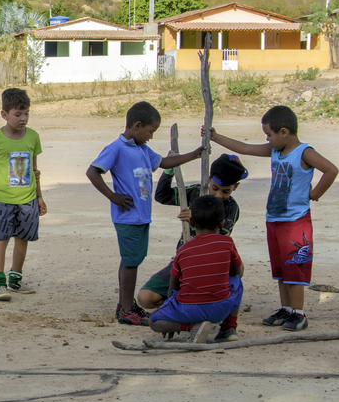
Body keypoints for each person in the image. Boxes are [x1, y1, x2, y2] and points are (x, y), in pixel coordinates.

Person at [208, 105, 339, 331]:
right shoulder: (275, 151)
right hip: (274, 219)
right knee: (280, 269)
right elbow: (245, 148)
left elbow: (331, 170)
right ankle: (286, 309)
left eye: (269, 134)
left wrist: (314, 194)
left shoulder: (304, 152)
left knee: (294, 268)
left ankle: (298, 313)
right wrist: (215, 137)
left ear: (284, 132)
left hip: (295, 221)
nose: (267, 139)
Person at [86, 101, 203, 325]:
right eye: (150, 131)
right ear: (137, 125)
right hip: (128, 217)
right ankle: (127, 309)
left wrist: (194, 155)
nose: (151, 137)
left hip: (140, 216)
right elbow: (92, 172)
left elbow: (164, 162)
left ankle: (125, 305)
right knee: (131, 263)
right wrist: (113, 196)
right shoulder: (116, 148)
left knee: (131, 260)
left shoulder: (142, 149)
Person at [136, 154, 248, 341]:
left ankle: (215, 320)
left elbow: (216, 241)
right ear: (209, 179)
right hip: (184, 262)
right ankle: (195, 313)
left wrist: (193, 222)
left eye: (226, 191)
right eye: (215, 188)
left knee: (237, 271)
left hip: (211, 263)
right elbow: (162, 196)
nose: (219, 195)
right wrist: (170, 168)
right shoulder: (195, 192)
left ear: (235, 187)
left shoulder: (231, 208)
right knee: (145, 298)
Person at [148, 195, 244, 342]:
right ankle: (228, 329)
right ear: (222, 223)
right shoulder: (227, 243)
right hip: (219, 310)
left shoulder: (183, 250)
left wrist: (172, 313)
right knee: (237, 281)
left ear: (191, 222)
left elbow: (173, 286)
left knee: (153, 321)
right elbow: (237, 272)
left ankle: (192, 326)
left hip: (187, 310)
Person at [0, 88, 47, 301]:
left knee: (23, 237)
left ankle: (16, 279)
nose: (23, 119)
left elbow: (35, 170)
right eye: (17, 114)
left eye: (26, 113)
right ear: (4, 114)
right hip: (3, 199)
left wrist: (39, 196)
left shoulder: (33, 137)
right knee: (1, 238)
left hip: (28, 200)